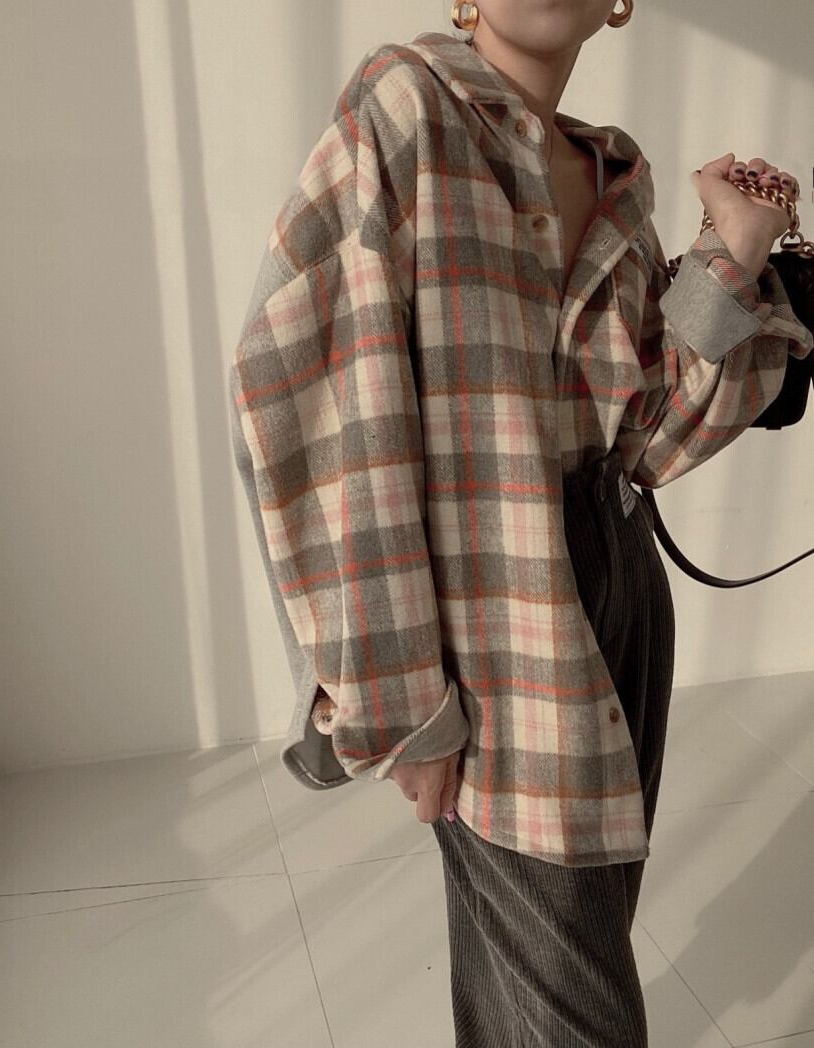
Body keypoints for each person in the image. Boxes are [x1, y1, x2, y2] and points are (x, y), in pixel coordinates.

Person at [227, 2, 810, 1043]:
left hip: (621, 582)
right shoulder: (402, 109)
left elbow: (648, 435)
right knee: (577, 1011)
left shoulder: (616, 179)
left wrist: (735, 245)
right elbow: (306, 394)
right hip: (489, 617)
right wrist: (397, 693)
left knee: (545, 975)